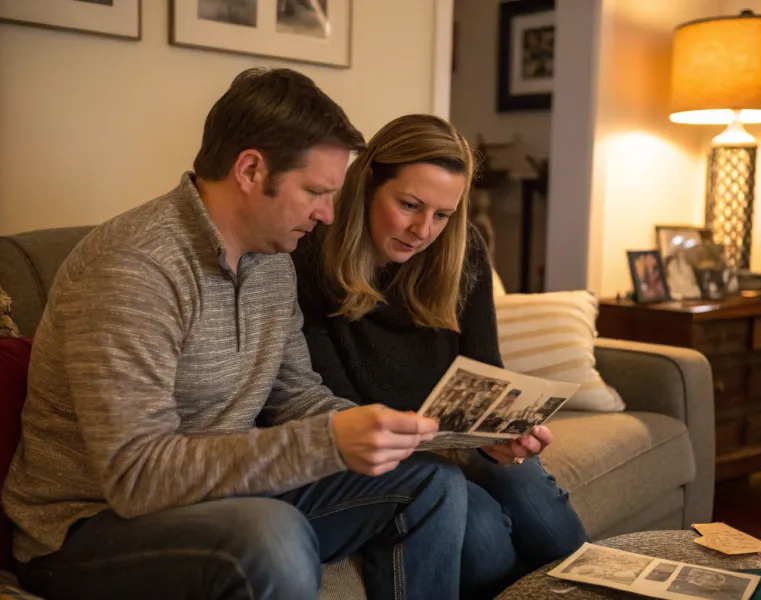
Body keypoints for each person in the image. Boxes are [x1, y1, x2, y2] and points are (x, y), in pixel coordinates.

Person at [1, 69, 471, 600]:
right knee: (269, 533)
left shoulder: (272, 261)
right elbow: (135, 476)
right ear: (250, 169)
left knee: (430, 482)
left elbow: (298, 396)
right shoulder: (135, 268)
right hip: (88, 528)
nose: (328, 214)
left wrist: (409, 431)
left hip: (225, 500)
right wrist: (326, 443)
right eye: (316, 191)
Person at [292, 114, 588, 600]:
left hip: (457, 437)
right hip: (387, 452)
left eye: (442, 214)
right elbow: (329, 400)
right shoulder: (310, 257)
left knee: (546, 518)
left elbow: (486, 369)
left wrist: (506, 434)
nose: (422, 230)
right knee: (485, 538)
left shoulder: (462, 248)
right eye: (408, 204)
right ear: (368, 181)